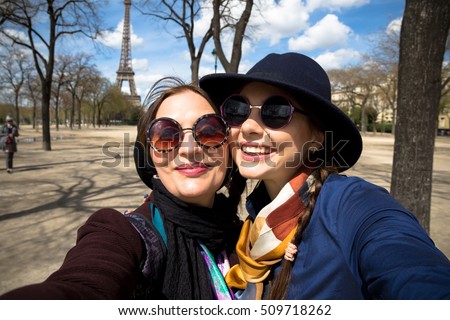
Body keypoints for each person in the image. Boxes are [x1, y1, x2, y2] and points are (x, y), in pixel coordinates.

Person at [199, 52, 450, 299]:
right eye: (237, 109)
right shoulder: (254, 221)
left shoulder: (351, 204)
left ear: (317, 137)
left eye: (275, 111)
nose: (249, 127)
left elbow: (416, 274)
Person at [1, 77, 242, 299]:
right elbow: (82, 286)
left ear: (229, 150)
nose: (189, 149)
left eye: (210, 130)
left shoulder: (245, 235)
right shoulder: (124, 234)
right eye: (166, 135)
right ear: (148, 156)